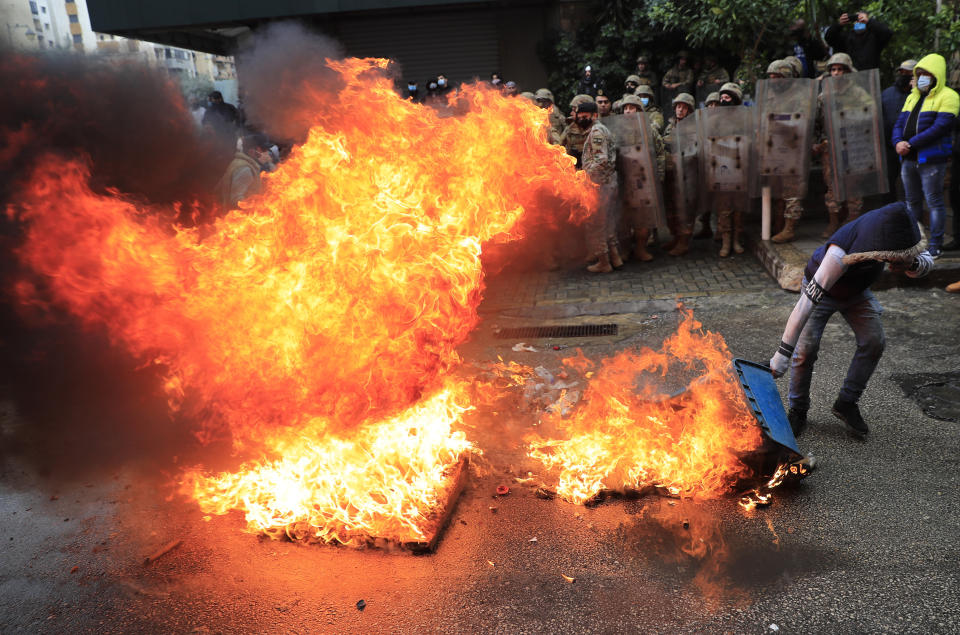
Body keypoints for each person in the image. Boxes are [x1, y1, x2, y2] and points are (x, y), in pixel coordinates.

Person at [769, 202, 934, 437]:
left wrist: (911, 263)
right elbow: (805, 305)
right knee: (805, 350)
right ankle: (798, 410)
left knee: (874, 341)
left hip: (857, 293)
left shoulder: (901, 233)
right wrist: (782, 355)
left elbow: (927, 261)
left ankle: (846, 402)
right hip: (823, 292)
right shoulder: (839, 253)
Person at [893, 54, 960, 259]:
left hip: (931, 161)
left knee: (934, 202)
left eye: (926, 74)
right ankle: (912, 243)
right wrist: (897, 142)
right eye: (919, 73)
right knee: (911, 202)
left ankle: (936, 245)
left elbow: (940, 128)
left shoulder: (949, 96)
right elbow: (899, 123)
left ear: (936, 75)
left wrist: (911, 143)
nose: (921, 77)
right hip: (908, 159)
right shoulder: (912, 96)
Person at [815, 53, 866, 238]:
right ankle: (834, 223)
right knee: (832, 186)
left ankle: (852, 223)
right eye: (833, 69)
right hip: (831, 148)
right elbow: (816, 122)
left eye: (840, 69)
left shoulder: (859, 93)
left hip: (853, 145)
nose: (836, 73)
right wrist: (818, 142)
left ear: (848, 71)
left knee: (853, 186)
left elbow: (870, 115)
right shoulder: (824, 95)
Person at [620, 94, 666, 262]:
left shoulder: (650, 131)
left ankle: (641, 248)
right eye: (625, 108)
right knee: (624, 219)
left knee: (643, 217)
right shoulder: (617, 131)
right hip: (624, 181)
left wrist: (659, 176)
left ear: (640, 110)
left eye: (632, 107)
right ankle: (625, 250)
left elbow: (660, 154)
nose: (628, 111)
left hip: (645, 181)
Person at [768, 59, 809, 244]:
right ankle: (777, 223)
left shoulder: (800, 96)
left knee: (792, 190)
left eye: (777, 77)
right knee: (777, 188)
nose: (773, 80)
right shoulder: (770, 95)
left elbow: (801, 122)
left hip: (793, 148)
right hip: (774, 148)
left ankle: (789, 227)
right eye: (771, 77)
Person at [576, 101, 621, 273]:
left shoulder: (597, 132)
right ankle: (615, 258)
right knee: (608, 222)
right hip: (607, 183)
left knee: (597, 223)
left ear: (594, 115)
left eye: (584, 116)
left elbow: (601, 160)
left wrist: (584, 176)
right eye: (579, 116)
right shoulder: (600, 129)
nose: (581, 118)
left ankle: (604, 262)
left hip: (600, 185)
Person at [713, 82, 748, 257]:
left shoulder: (744, 118)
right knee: (724, 208)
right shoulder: (716, 119)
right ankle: (726, 241)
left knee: (738, 207)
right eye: (722, 97)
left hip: (740, 167)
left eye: (727, 97)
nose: (723, 100)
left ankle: (736, 240)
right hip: (722, 168)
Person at [662, 92, 697, 256]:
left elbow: (698, 150)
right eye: (678, 106)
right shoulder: (671, 126)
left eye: (684, 107)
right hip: (670, 173)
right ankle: (675, 237)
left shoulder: (695, 127)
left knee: (685, 209)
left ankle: (684, 242)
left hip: (687, 173)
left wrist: (683, 157)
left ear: (690, 110)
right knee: (671, 207)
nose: (680, 110)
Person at [880, 60, 918, 202]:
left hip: (912, 147)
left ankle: (911, 217)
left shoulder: (921, 95)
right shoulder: (887, 94)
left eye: (908, 72)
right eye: (902, 72)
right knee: (888, 183)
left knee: (910, 186)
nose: (904, 75)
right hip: (890, 147)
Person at [216, 133, 274, 210]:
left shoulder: (242, 163)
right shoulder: (245, 169)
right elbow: (236, 200)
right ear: (251, 151)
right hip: (238, 219)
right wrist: (259, 207)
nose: (266, 153)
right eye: (263, 149)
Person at [824, 11, 892, 72]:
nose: (859, 21)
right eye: (857, 19)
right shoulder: (847, 37)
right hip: (851, 76)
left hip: (870, 76)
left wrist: (868, 21)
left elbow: (887, 33)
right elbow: (829, 38)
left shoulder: (874, 37)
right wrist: (839, 25)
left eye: (861, 19)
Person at [560, 94, 595, 167]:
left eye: (574, 110)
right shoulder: (570, 127)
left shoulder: (597, 129)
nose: (571, 113)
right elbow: (559, 148)